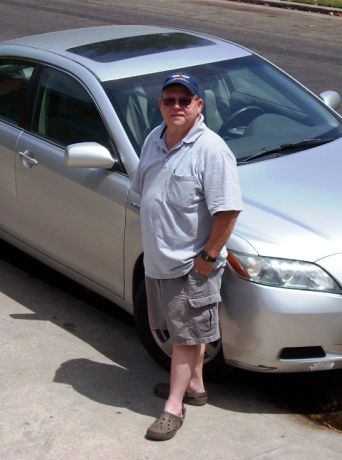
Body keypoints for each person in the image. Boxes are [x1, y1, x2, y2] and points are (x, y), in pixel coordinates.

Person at [131, 72, 243, 441]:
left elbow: (228, 211)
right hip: (159, 260)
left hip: (192, 265)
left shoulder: (212, 150)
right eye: (169, 100)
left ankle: (173, 407)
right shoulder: (154, 138)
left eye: (184, 100)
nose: (176, 106)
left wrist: (208, 258)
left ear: (199, 105)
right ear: (160, 105)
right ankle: (194, 386)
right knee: (186, 332)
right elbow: (144, 188)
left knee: (185, 337)